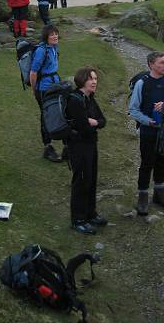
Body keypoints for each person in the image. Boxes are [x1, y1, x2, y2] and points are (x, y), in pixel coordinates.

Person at [129, 51, 164, 215]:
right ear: (151, 64)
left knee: (161, 161)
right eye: (161, 63)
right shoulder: (142, 84)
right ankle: (142, 198)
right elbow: (133, 109)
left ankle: (159, 195)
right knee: (146, 163)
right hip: (148, 131)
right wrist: (147, 121)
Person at [66, 67, 107, 235]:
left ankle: (91, 213)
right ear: (82, 80)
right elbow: (83, 127)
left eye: (96, 78)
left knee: (91, 179)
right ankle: (78, 219)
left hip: (90, 144)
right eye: (91, 79)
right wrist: (92, 124)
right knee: (81, 181)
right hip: (79, 146)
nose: (95, 82)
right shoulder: (75, 100)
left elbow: (103, 121)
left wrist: (94, 122)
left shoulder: (89, 98)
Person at [30, 24, 62, 162]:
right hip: (43, 88)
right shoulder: (41, 51)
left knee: (60, 112)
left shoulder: (54, 48)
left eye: (56, 33)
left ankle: (67, 147)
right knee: (46, 116)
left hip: (55, 85)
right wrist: (35, 90)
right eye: (52, 34)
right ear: (46, 37)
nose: (55, 36)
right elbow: (33, 72)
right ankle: (47, 148)